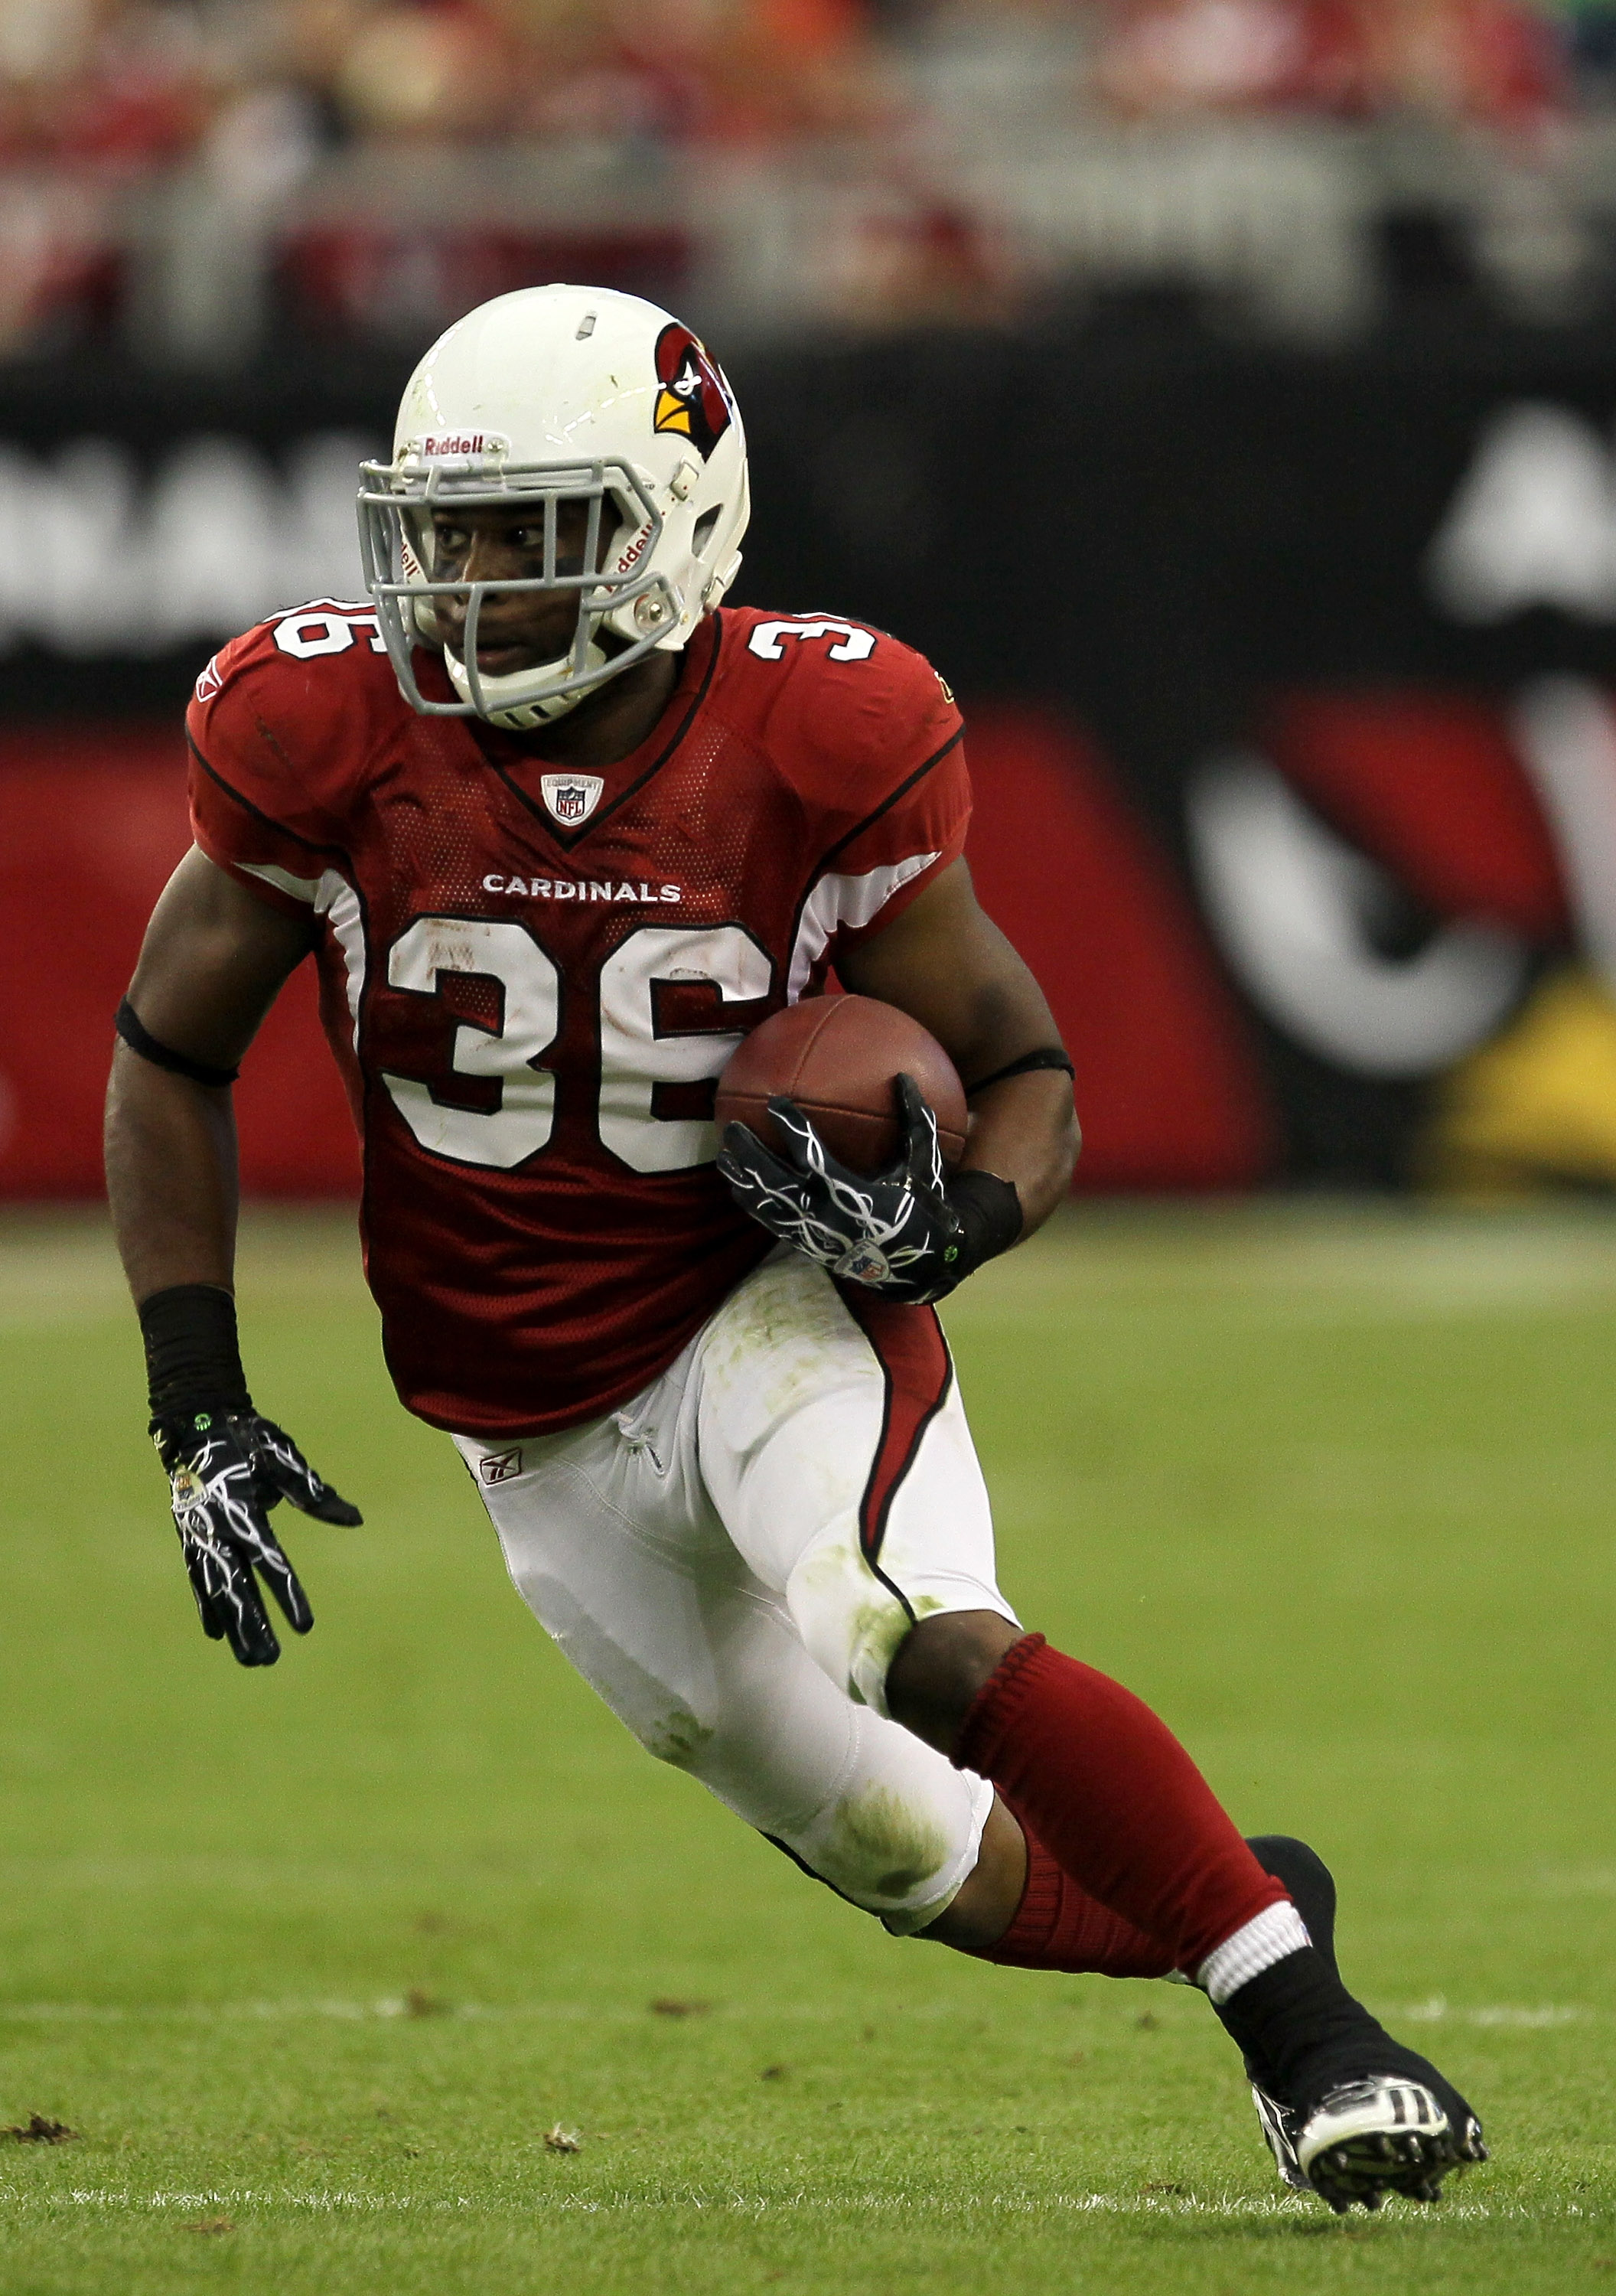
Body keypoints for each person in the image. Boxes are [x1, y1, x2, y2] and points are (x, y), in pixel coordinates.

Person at [104, 283, 1486, 2214]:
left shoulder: (827, 729)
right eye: (441, 533)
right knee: (931, 1868)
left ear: (675, 527)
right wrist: (198, 1407)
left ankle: (1314, 2048)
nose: (466, 586)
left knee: (897, 1631)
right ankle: (1263, 1907)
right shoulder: (317, 726)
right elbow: (169, 1054)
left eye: (529, 533)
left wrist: (951, 1225)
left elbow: (1028, 1070)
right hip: (525, 1421)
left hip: (759, 1312)